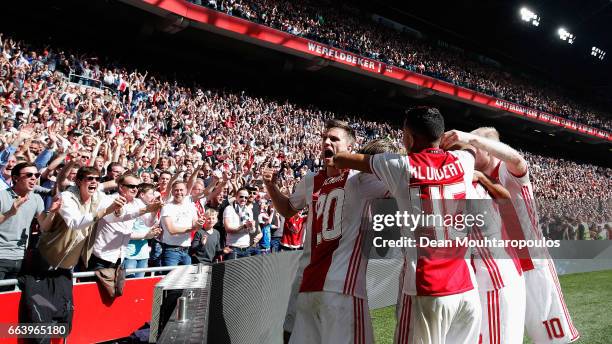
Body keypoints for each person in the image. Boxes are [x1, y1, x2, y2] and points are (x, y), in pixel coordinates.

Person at [333, 107, 481, 344]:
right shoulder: (463, 162)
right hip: (467, 290)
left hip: (429, 288)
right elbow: (471, 149)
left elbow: (342, 159)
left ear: (410, 138)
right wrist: (459, 139)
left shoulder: (401, 166)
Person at [441, 127, 580, 343]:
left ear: (486, 148)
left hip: (532, 265)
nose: (468, 152)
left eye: (474, 148)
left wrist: (469, 138)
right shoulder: (472, 178)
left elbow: (517, 159)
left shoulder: (508, 172)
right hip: (502, 269)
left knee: (551, 338)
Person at [263, 121, 396, 344]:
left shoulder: (359, 178)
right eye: (325, 137)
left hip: (342, 287)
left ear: (351, 148)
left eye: (334, 139)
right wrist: (271, 187)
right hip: (309, 284)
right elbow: (287, 210)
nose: (326, 141)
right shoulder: (310, 181)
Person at [0, 163, 60, 289]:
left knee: (8, 302)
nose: (34, 178)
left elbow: (44, 226)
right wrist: (10, 213)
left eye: (36, 175)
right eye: (29, 175)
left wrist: (52, 212)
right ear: (16, 178)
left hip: (21, 258)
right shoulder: (2, 196)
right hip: (1, 257)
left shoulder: (36, 198)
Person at [89, 173, 162, 273]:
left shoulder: (138, 203)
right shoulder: (109, 200)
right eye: (131, 186)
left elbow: (149, 223)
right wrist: (146, 209)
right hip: (101, 257)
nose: (135, 189)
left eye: (137, 186)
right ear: (121, 187)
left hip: (120, 257)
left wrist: (154, 211)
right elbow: (121, 217)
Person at [159, 181, 203, 266]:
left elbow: (196, 226)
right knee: (170, 278)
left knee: (185, 278)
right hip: (171, 251)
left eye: (181, 190)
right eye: (176, 190)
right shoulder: (167, 207)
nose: (179, 192)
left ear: (186, 191)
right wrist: (192, 228)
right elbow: (172, 230)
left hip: (186, 250)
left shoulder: (191, 206)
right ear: (172, 192)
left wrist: (200, 223)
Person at [124, 183, 161, 277]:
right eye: (151, 193)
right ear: (142, 195)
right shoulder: (133, 206)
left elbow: (150, 223)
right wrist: (146, 235)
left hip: (143, 253)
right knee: (129, 284)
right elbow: (126, 233)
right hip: (129, 253)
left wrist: (156, 210)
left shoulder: (149, 207)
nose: (153, 196)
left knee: (140, 284)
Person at [223, 187, 257, 259]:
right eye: (241, 196)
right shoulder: (229, 209)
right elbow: (228, 229)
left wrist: (252, 226)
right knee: (232, 270)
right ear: (236, 197)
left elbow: (252, 231)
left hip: (246, 248)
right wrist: (244, 226)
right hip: (233, 248)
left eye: (246, 197)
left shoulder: (249, 210)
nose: (244, 199)